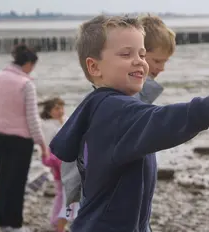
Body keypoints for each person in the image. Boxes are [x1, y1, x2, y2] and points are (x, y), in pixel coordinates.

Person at [49, 15, 209, 232]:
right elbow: (160, 122)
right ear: (94, 67)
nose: (139, 61)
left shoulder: (103, 105)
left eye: (142, 54)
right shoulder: (114, 110)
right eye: (126, 54)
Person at [60, 14, 177, 207]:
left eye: (165, 62)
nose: (161, 68)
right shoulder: (116, 101)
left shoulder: (131, 90)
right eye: (157, 60)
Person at [0, 44, 48, 232]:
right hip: (20, 140)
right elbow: (32, 118)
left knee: (5, 178)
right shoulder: (26, 84)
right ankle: (15, 226)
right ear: (28, 63)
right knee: (18, 182)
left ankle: (2, 223)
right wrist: (42, 143)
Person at [39, 97, 79, 232]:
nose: (61, 111)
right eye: (56, 108)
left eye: (62, 107)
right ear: (49, 112)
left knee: (63, 194)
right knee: (65, 195)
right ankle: (60, 226)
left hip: (68, 161)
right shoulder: (47, 125)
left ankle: (58, 222)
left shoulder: (67, 119)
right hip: (57, 161)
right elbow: (47, 146)